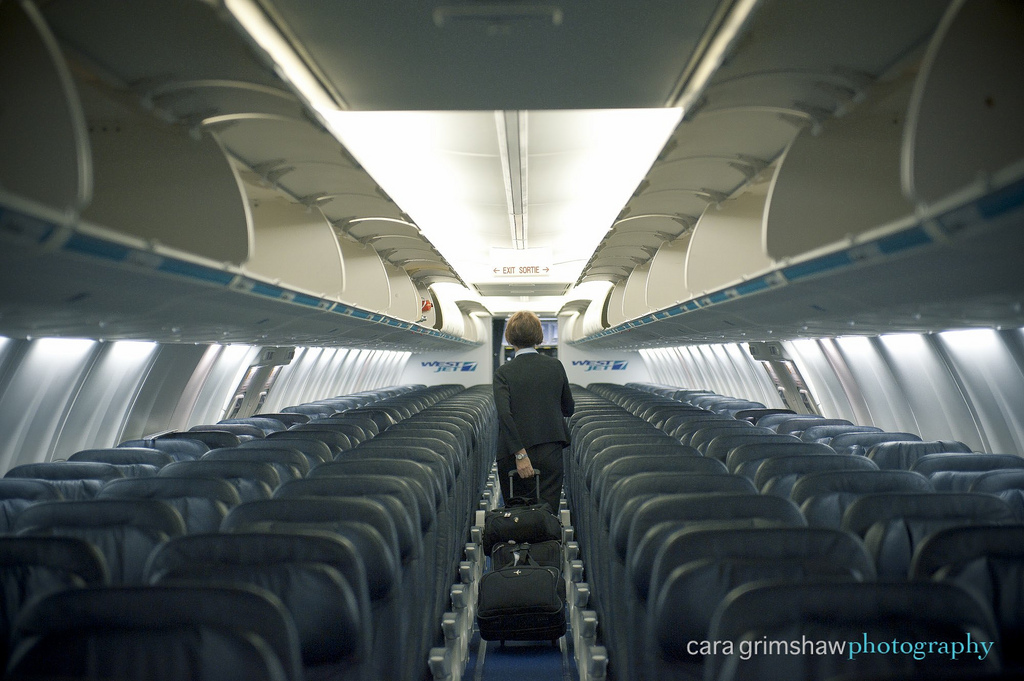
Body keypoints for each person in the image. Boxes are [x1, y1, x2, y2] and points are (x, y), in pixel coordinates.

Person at [493, 310, 574, 512]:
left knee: (517, 515)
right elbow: (568, 408)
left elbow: (505, 415)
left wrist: (520, 455)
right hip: (550, 450)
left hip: (514, 453)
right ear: (539, 335)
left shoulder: (504, 372)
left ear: (510, 338)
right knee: (547, 513)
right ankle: (549, 544)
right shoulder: (555, 366)